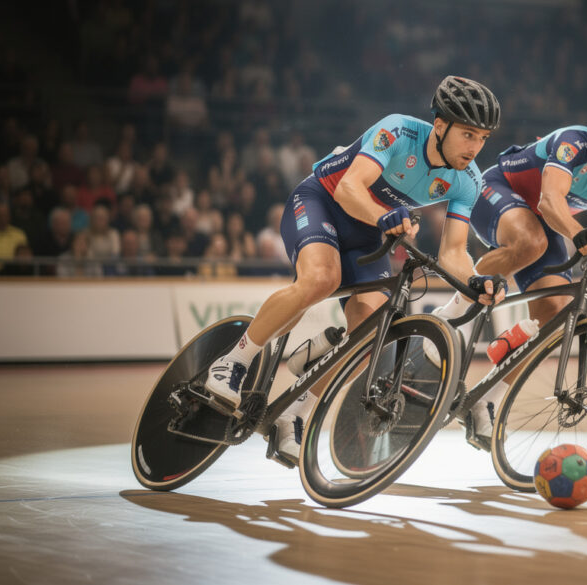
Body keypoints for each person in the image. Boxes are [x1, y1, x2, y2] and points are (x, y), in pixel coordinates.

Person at [203, 76, 505, 464]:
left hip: (370, 231)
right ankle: (234, 362)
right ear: (440, 124)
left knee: (372, 327)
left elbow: (452, 253)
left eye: (483, 138)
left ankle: (296, 412)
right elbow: (348, 188)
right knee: (320, 279)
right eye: (468, 134)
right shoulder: (397, 130)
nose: (475, 147)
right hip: (322, 201)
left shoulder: (469, 180)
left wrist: (474, 280)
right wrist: (385, 215)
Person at [433, 89, 587, 450]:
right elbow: (550, 201)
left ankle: (487, 401)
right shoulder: (575, 143)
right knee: (531, 240)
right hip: (497, 188)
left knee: (558, 316)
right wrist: (579, 234)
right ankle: (452, 312)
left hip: (543, 221)